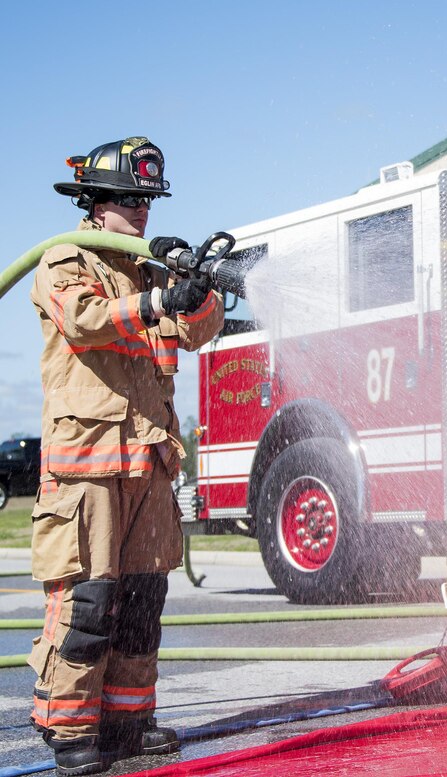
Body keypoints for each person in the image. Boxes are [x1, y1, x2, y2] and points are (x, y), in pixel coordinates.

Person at [27, 137, 224, 776]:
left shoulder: (153, 272)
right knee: (87, 604)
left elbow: (197, 331)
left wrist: (199, 291)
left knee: (142, 603)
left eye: (148, 201)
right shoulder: (65, 259)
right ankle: (70, 728)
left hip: (149, 466)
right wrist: (157, 300)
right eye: (130, 199)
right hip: (86, 469)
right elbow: (84, 320)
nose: (142, 212)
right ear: (96, 202)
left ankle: (129, 722)